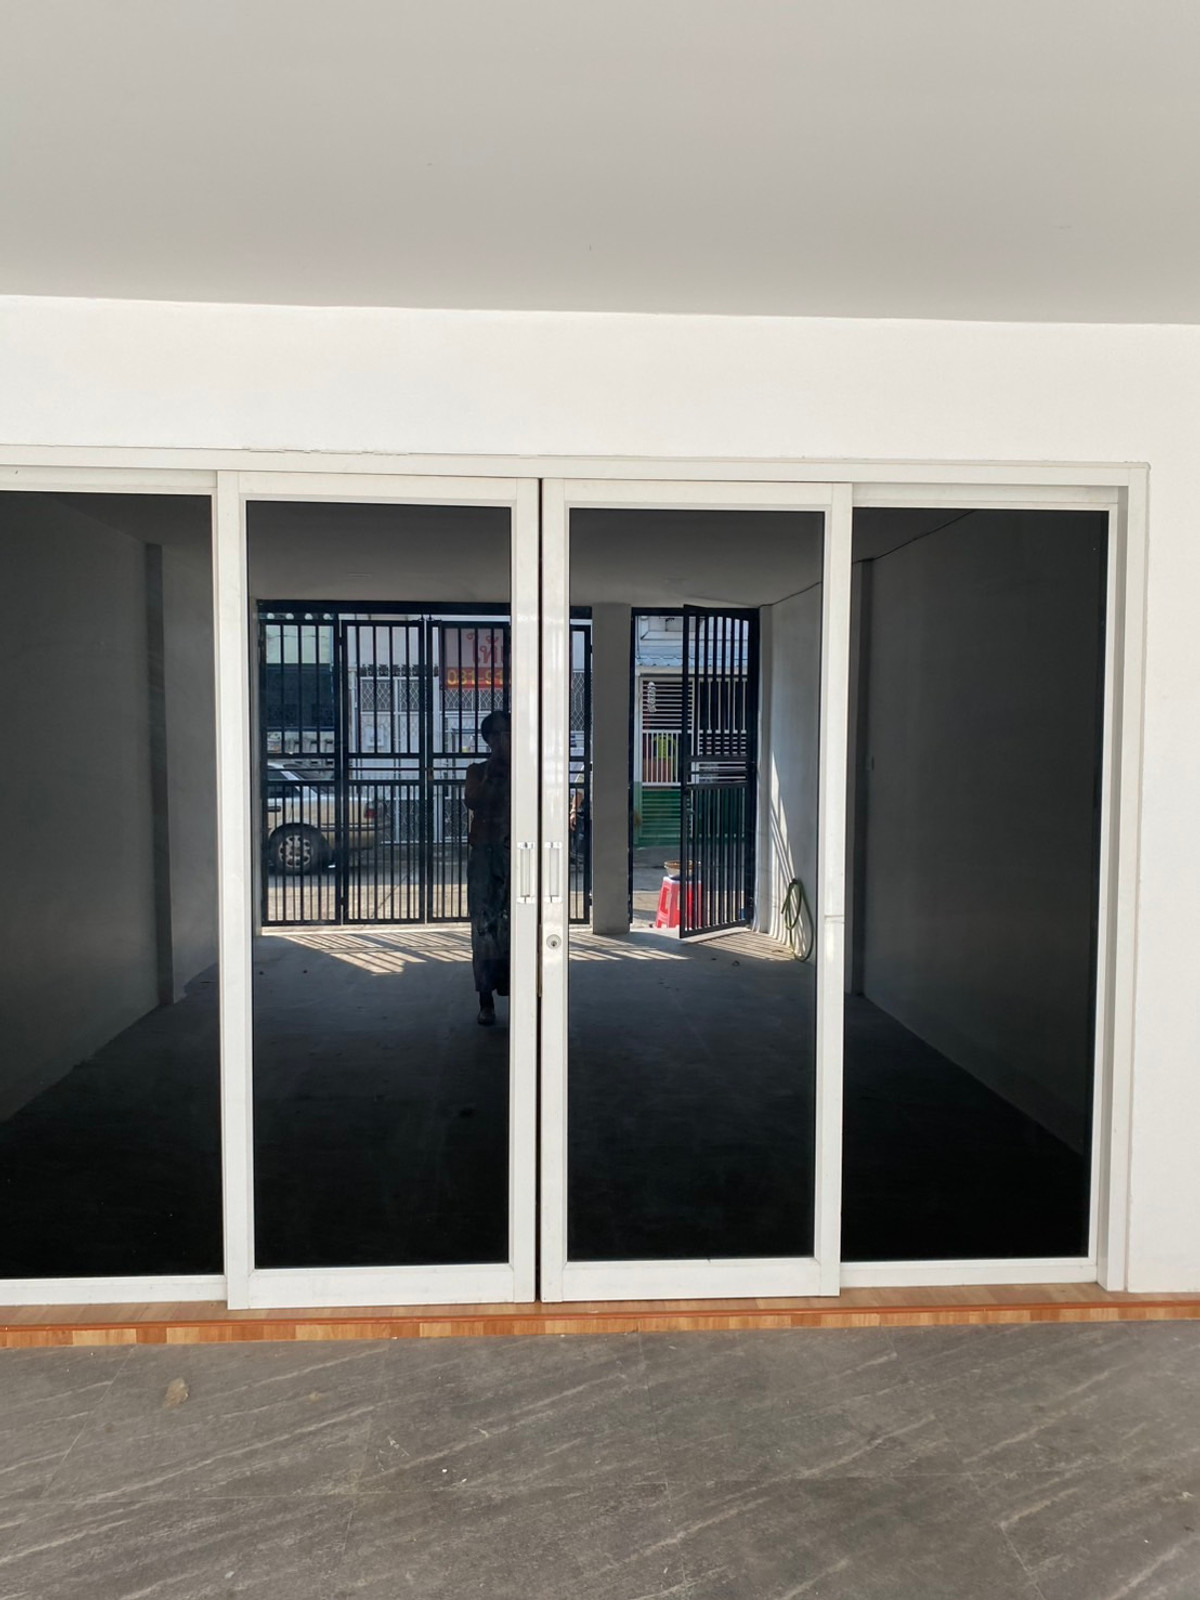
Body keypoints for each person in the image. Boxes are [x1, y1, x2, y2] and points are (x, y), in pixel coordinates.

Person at [464, 709, 511, 1026]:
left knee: (516, 924)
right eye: (495, 734)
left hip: (514, 852)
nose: (501, 739)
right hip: (483, 853)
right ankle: (485, 999)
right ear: (487, 739)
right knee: (483, 925)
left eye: (507, 733)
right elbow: (473, 800)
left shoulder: (524, 770)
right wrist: (492, 771)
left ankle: (520, 991)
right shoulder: (477, 770)